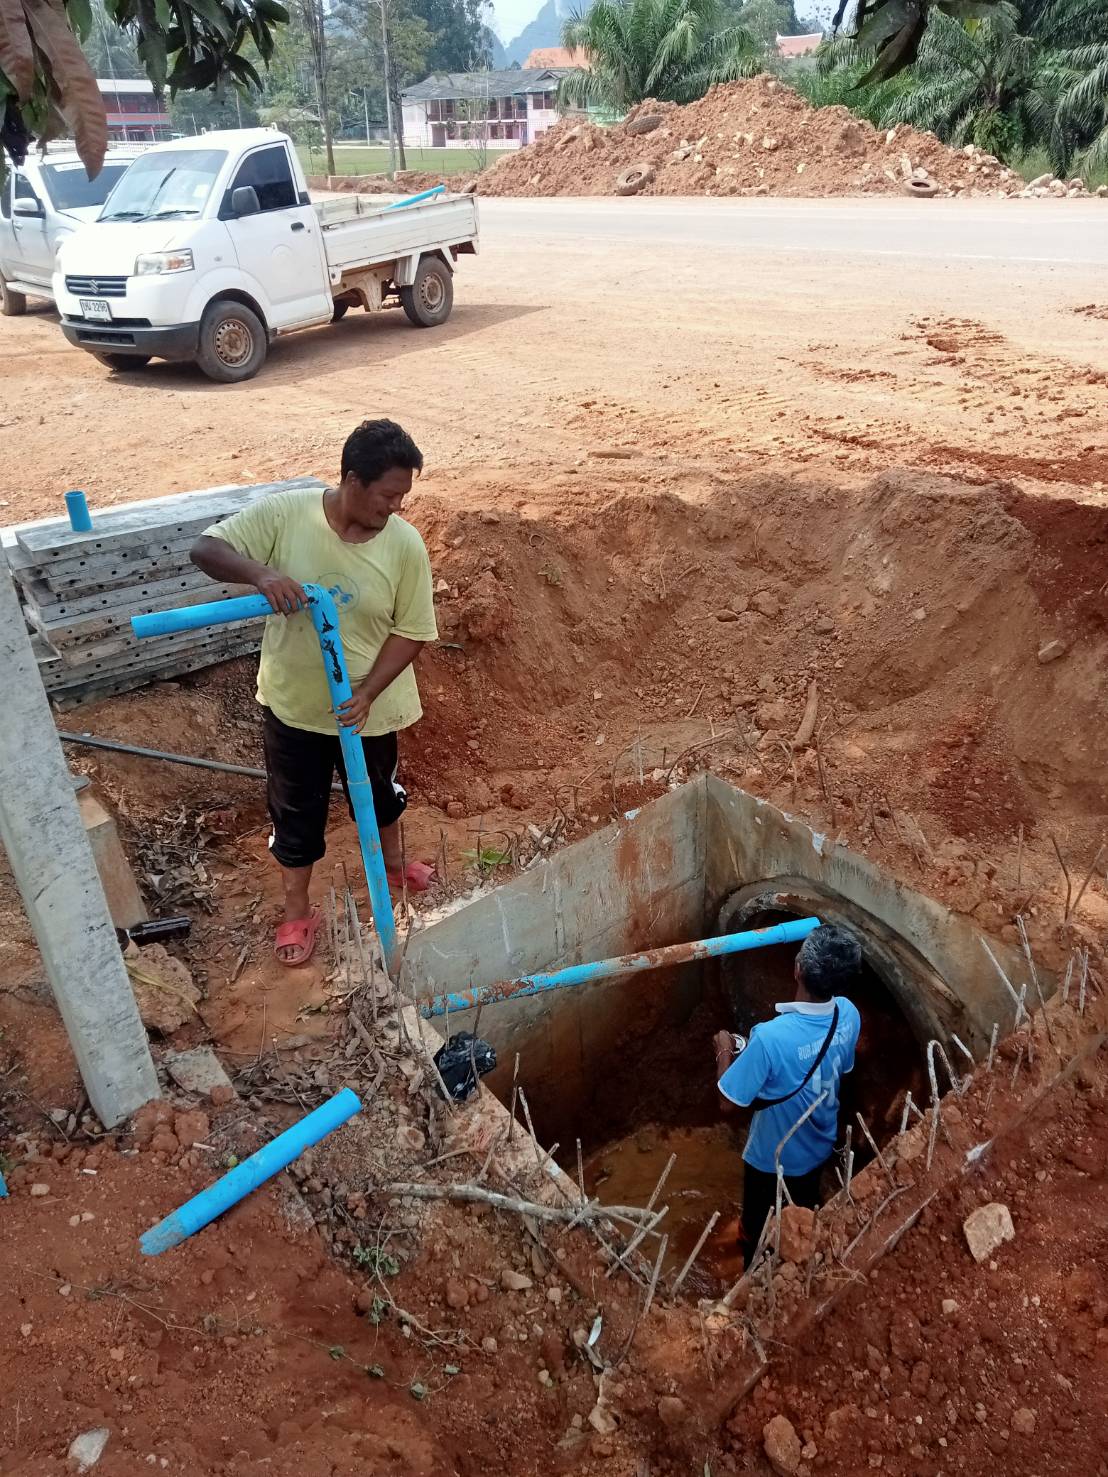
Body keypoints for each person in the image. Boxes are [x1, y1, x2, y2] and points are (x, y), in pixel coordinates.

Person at [190, 418, 439, 967]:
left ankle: (394, 866)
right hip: (297, 707)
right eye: (387, 494)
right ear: (352, 479)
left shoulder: (403, 544)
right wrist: (260, 575)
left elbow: (413, 630)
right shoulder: (288, 515)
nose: (395, 506)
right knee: (296, 810)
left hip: (369, 711)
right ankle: (297, 911)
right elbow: (205, 549)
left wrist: (369, 692)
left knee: (379, 795)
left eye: (403, 495)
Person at [713, 924, 862, 1268]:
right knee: (802, 1206)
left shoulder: (769, 1037)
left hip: (771, 1159)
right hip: (820, 1142)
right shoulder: (849, 1014)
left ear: (797, 969)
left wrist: (723, 1050)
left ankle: (754, 1268)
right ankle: (795, 1243)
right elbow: (841, 1068)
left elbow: (727, 1102)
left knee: (755, 1228)